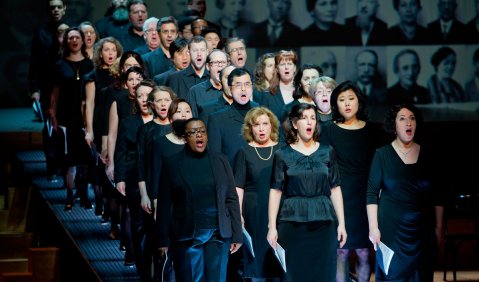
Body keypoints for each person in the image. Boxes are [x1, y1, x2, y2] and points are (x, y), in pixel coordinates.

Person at [267, 103, 347, 281]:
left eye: (313, 118)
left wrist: (341, 223)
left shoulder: (328, 152)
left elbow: (335, 188)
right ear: (295, 124)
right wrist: (272, 226)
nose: (309, 122)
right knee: (295, 273)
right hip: (292, 221)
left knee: (324, 273)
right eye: (304, 118)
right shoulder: (283, 154)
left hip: (324, 221)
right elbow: (275, 191)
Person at [156, 117, 243, 282]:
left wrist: (237, 234)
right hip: (188, 234)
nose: (199, 135)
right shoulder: (172, 163)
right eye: (193, 132)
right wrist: (163, 239)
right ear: (185, 137)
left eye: (202, 131)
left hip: (218, 233)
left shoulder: (220, 160)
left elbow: (231, 198)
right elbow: (165, 204)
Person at [367, 103, 444, 281]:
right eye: (402, 118)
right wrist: (373, 228)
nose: (408, 122)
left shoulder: (428, 155)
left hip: (422, 232)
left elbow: (438, 195)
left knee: (422, 275)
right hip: (391, 232)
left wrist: (439, 229)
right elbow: (372, 194)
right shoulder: (382, 154)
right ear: (393, 125)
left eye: (412, 118)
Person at [320, 81, 379, 282]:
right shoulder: (328, 129)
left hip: (365, 197)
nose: (347, 104)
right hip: (339, 196)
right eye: (342, 99)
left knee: (363, 251)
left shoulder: (372, 130)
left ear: (359, 102)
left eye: (351, 99)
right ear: (335, 104)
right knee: (341, 251)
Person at [233, 106, 283, 280]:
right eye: (256, 125)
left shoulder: (282, 150)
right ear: (250, 128)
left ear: (272, 126)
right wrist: (238, 215)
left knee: (278, 263)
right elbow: (238, 187)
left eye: (265, 124)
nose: (261, 129)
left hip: (280, 212)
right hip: (254, 213)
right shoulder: (244, 152)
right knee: (258, 265)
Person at [49, 27, 94, 211]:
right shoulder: (59, 65)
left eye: (77, 37)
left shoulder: (89, 65)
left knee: (85, 160)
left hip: (84, 118)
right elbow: (55, 93)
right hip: (66, 117)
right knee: (69, 161)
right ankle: (69, 195)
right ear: (66, 42)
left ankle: (83, 195)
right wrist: (52, 115)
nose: (74, 40)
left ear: (83, 41)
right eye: (70, 38)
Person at [115, 79, 154, 269]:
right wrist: (119, 178)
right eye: (140, 96)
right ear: (135, 100)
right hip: (133, 177)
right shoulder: (128, 122)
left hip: (157, 177)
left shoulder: (163, 122)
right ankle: (141, 263)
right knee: (138, 221)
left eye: (148, 95)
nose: (145, 100)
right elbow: (121, 150)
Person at [28, 0, 68, 182]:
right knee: (49, 128)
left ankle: (66, 166)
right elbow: (34, 61)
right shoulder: (41, 31)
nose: (56, 10)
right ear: (49, 10)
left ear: (64, 9)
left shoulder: (71, 30)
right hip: (47, 87)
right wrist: (34, 88)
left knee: (66, 127)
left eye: (59, 7)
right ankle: (52, 166)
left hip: (67, 87)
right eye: (53, 7)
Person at [84, 37, 123, 217]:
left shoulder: (120, 76)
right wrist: (89, 130)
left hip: (118, 123)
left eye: (113, 50)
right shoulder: (94, 76)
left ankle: (114, 210)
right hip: (101, 125)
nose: (110, 54)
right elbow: (90, 104)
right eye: (106, 50)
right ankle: (106, 208)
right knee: (104, 166)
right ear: (100, 53)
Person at [208, 67, 259, 166]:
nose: (243, 89)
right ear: (230, 89)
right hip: (231, 177)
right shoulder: (217, 119)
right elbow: (215, 158)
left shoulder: (261, 112)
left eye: (247, 84)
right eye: (238, 85)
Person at [186, 49, 228, 117]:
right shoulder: (195, 91)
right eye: (215, 62)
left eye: (223, 62)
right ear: (208, 66)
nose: (220, 65)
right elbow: (192, 121)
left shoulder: (233, 90)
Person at [260, 50, 297, 121]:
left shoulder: (301, 92)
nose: (286, 67)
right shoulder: (267, 95)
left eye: (289, 64)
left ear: (294, 68)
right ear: (277, 69)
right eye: (282, 64)